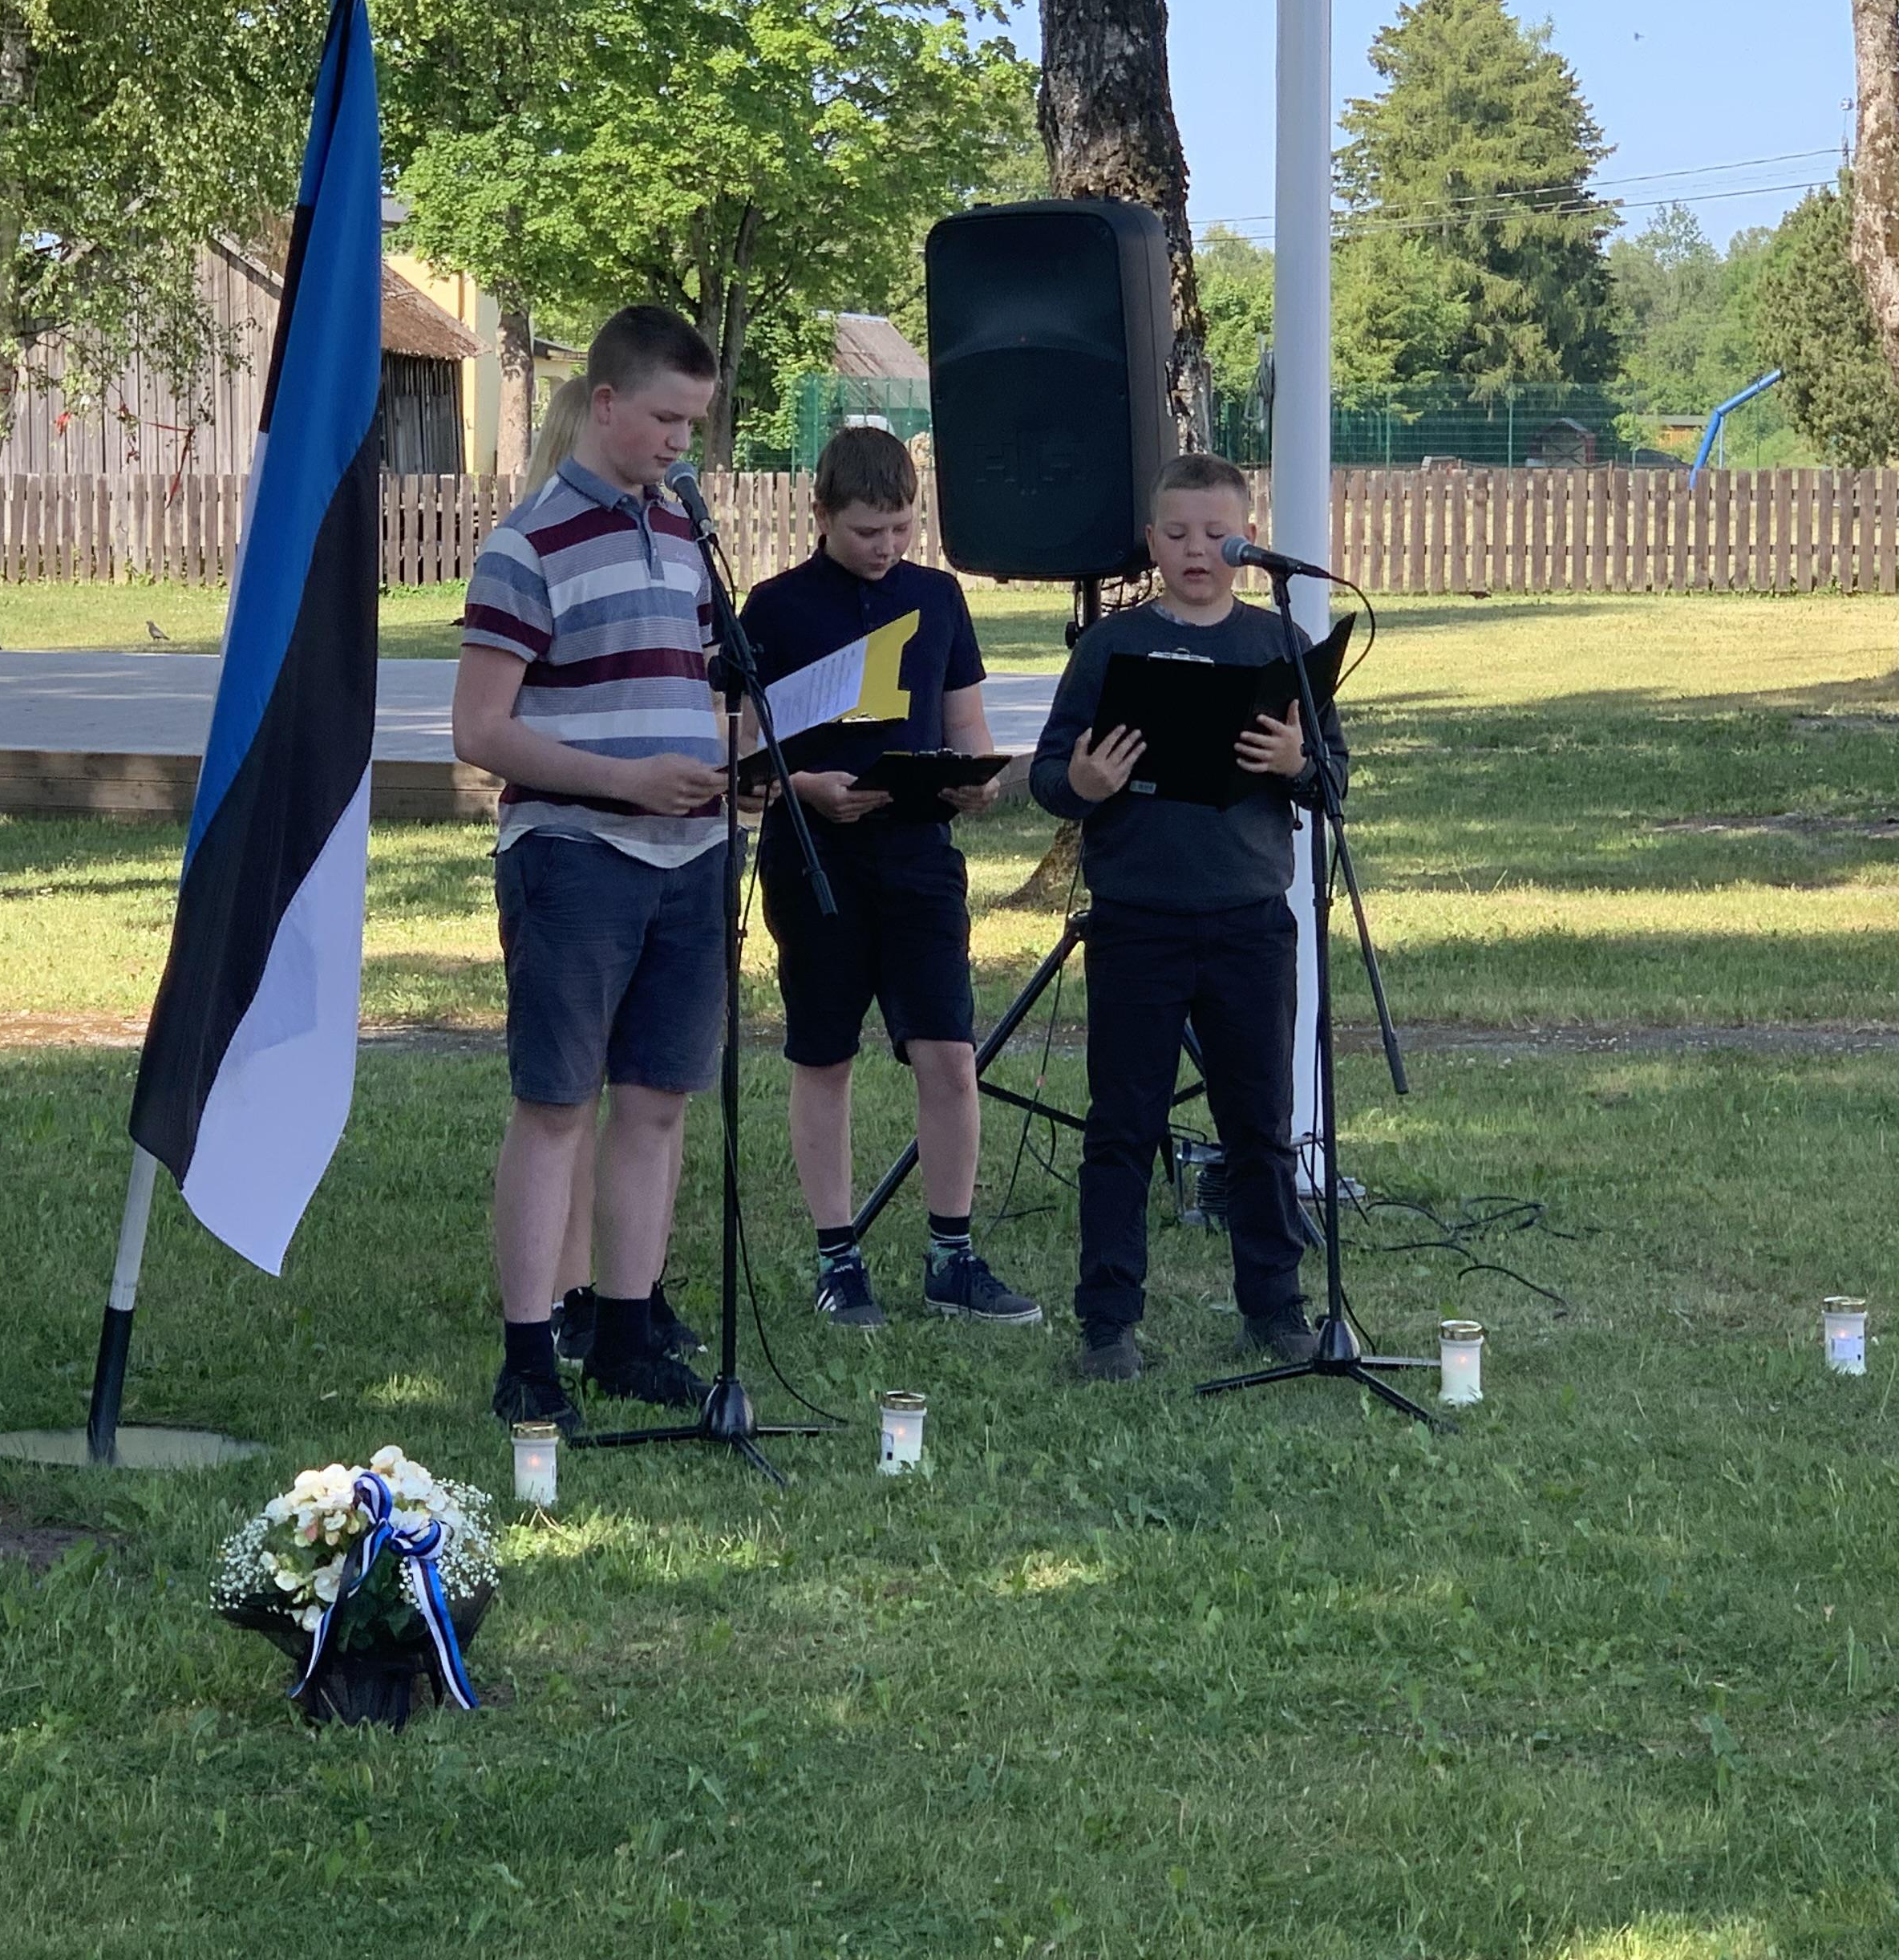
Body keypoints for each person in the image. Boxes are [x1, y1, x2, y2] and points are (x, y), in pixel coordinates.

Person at [456, 306, 731, 1434]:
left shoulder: (687, 534)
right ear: (606, 402)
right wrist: (626, 783)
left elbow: (695, 687)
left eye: (693, 424)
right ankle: (530, 1353)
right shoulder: (526, 546)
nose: (680, 442)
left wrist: (735, 769)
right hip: (575, 858)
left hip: (693, 854)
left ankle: (626, 1330)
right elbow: (481, 730)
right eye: (665, 419)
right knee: (557, 1104)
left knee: (656, 1103)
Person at [1027, 453, 1347, 1383]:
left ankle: (1275, 1307)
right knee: (1122, 1124)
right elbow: (1051, 774)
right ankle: (1108, 1322)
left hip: (1250, 920)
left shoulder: (1277, 643)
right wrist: (1085, 782)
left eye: (1217, 535)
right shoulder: (1110, 647)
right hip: (1137, 921)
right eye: (1176, 534)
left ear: (1248, 541)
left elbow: (1334, 780)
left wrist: (1296, 762)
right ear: (1151, 542)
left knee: (1260, 1122)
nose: (1196, 551)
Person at [739, 427, 1039, 1330]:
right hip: (814, 858)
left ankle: (953, 1254)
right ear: (821, 514)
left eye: (903, 528)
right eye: (869, 531)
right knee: (824, 1051)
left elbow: (968, 729)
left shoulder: (937, 598)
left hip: (918, 857)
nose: (888, 547)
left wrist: (975, 781)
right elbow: (741, 756)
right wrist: (806, 787)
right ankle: (838, 1256)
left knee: (948, 1052)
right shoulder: (775, 607)